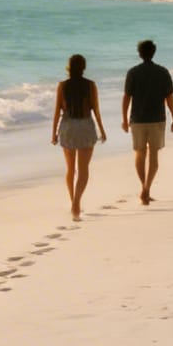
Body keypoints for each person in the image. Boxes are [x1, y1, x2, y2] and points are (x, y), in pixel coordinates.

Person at [49, 54, 106, 221]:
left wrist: (53, 133)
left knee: (70, 169)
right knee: (83, 170)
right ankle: (77, 202)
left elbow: (57, 110)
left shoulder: (62, 86)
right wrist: (102, 129)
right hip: (85, 126)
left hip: (67, 127)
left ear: (69, 67)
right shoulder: (91, 85)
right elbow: (96, 109)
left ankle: (72, 201)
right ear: (84, 67)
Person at [121, 39, 173, 205]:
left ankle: (144, 187)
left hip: (137, 119)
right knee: (153, 154)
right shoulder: (163, 72)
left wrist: (124, 119)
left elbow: (126, 97)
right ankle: (146, 189)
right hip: (157, 119)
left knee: (139, 153)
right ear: (154, 52)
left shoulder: (132, 73)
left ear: (140, 53)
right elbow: (169, 97)